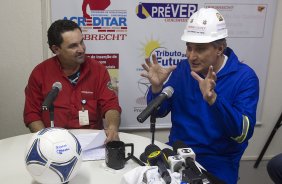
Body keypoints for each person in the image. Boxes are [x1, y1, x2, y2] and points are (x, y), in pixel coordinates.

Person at [141, 8, 259, 184]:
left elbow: (242, 133)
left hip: (217, 163)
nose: (191, 56)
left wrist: (214, 101)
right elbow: (159, 111)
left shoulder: (245, 78)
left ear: (220, 48)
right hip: (177, 154)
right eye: (188, 47)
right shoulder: (183, 69)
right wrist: (157, 88)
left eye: (200, 49)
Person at [23, 19, 121, 143]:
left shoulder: (98, 70)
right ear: (56, 49)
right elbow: (32, 114)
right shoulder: (39, 73)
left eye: (81, 42)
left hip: (91, 144)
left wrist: (112, 127)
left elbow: (111, 105)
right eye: (73, 46)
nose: (81, 49)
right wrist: (44, 140)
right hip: (54, 143)